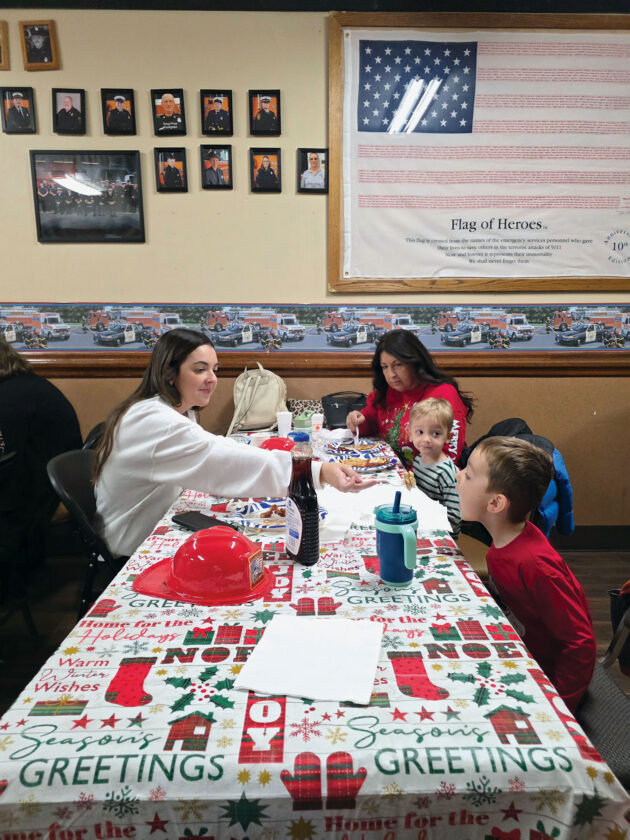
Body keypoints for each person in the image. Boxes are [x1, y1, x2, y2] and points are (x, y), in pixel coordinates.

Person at [94, 329, 371, 558]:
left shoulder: (168, 410)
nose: (212, 379)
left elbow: (214, 451)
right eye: (200, 369)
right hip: (132, 542)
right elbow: (219, 457)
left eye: (214, 370)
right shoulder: (153, 420)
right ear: (170, 373)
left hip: (154, 521)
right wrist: (315, 471)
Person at [456, 436, 595, 713]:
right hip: (517, 651)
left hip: (544, 680)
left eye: (468, 475)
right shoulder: (504, 541)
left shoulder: (536, 566)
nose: (458, 476)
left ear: (496, 503)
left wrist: (558, 707)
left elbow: (580, 643)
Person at [0, 338, 82, 579]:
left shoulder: (9, 398)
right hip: (50, 482)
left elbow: (5, 455)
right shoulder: (24, 385)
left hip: (36, 497)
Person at [346, 330, 473, 467]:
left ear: (414, 362)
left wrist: (408, 476)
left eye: (398, 365)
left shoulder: (444, 393)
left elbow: (448, 458)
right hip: (395, 471)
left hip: (433, 477)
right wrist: (357, 421)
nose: (391, 374)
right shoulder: (386, 392)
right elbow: (369, 422)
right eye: (385, 367)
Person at [409, 398, 460, 537]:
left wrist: (427, 524)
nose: (426, 439)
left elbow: (455, 517)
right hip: (420, 523)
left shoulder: (446, 473)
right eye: (420, 432)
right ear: (410, 433)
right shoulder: (418, 460)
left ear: (448, 437)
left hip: (439, 534)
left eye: (436, 434)